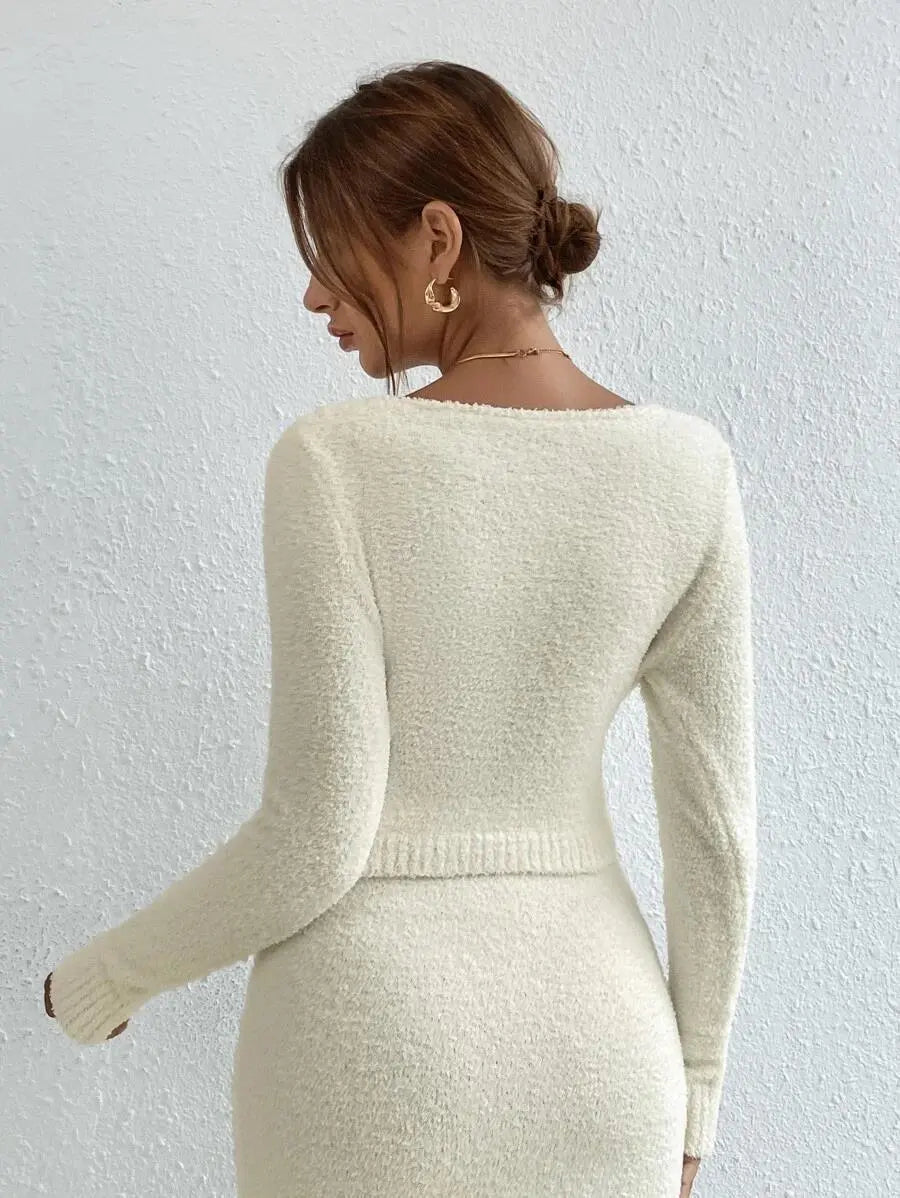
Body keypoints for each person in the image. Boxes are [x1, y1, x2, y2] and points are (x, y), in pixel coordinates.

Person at [44, 60, 756, 1198]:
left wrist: (106, 977)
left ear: (436, 239)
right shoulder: (690, 472)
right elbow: (714, 830)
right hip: (607, 1058)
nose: (313, 295)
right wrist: (698, 1086)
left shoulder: (337, 461)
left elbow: (315, 833)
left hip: (374, 1054)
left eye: (331, 251)